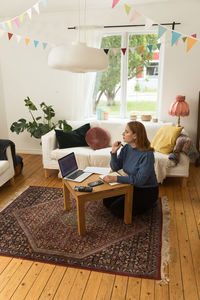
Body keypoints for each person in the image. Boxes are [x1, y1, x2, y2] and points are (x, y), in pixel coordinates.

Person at [103, 121, 159, 218]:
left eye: (126, 132)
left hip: (146, 190)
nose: (123, 134)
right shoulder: (127, 148)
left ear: (135, 136)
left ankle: (151, 203)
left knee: (117, 210)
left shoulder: (147, 155)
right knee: (106, 201)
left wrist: (115, 179)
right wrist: (113, 152)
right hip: (131, 185)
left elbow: (140, 181)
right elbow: (116, 167)